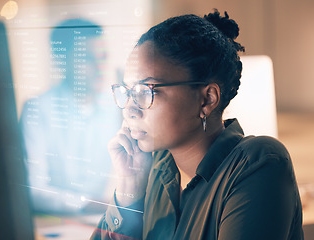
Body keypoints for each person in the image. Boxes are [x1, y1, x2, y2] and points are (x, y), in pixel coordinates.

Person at [91, 10, 304, 239]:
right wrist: (129, 188)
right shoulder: (156, 167)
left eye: (145, 91)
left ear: (207, 99)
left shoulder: (259, 163)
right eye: (128, 91)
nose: (129, 108)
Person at [20, 18, 120, 214]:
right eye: (88, 58)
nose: (100, 67)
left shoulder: (116, 108)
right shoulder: (38, 109)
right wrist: (91, 203)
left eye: (103, 57)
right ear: (61, 60)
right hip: (48, 221)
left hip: (97, 218)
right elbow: (32, 189)